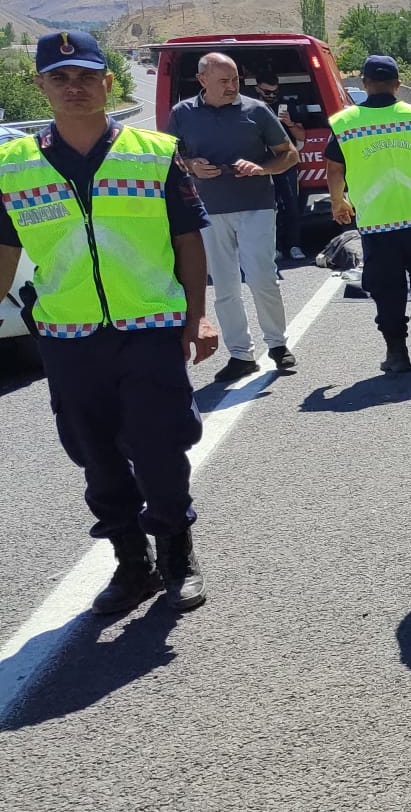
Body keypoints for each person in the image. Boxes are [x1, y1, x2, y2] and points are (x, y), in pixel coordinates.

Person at [0, 30, 220, 613]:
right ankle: (131, 565)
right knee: (94, 455)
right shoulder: (12, 166)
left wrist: (199, 316)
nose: (73, 87)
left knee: (159, 447)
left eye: (85, 76)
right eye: (59, 77)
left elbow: (187, 239)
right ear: (40, 85)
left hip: (149, 327)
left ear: (107, 83)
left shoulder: (153, 151)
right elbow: (5, 251)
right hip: (68, 337)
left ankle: (177, 554)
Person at [164, 52, 299, 382]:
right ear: (202, 81)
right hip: (208, 212)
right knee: (224, 285)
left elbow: (290, 154)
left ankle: (278, 345)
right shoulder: (182, 113)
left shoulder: (256, 110)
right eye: (224, 81)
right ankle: (241, 354)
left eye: (236, 79)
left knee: (262, 276)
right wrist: (191, 165)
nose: (232, 86)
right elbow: (171, 155)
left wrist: (261, 168)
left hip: (256, 205)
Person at [327, 55, 411, 373]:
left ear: (364, 84)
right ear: (396, 84)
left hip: (377, 220)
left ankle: (397, 353)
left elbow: (334, 168)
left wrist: (338, 202)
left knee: (386, 288)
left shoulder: (345, 122)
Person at [254, 74, 308, 262]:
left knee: (292, 204)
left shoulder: (288, 106)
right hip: (262, 163)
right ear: (257, 89)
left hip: (286, 162)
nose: (272, 95)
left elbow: (302, 136)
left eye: (276, 91)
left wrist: (289, 123)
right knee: (269, 207)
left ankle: (295, 245)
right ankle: (274, 247)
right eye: (267, 92)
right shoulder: (251, 108)